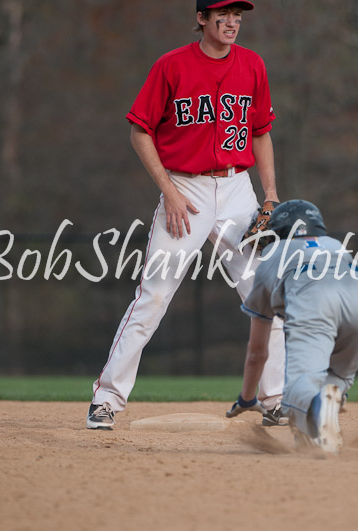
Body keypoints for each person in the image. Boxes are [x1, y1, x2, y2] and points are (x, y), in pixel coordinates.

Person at [87, 0, 287, 429]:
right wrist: (169, 191)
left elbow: (261, 132)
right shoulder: (171, 66)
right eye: (223, 14)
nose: (232, 21)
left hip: (237, 189)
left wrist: (270, 195)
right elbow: (140, 130)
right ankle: (106, 399)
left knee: (265, 293)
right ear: (201, 18)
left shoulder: (252, 65)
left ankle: (276, 400)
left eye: (238, 15)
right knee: (154, 296)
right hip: (186, 189)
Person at [226, 200, 358, 453]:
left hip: (314, 301)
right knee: (339, 377)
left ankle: (314, 428)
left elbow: (257, 352)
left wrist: (246, 398)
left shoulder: (271, 257)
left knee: (298, 395)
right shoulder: (334, 244)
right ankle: (327, 401)